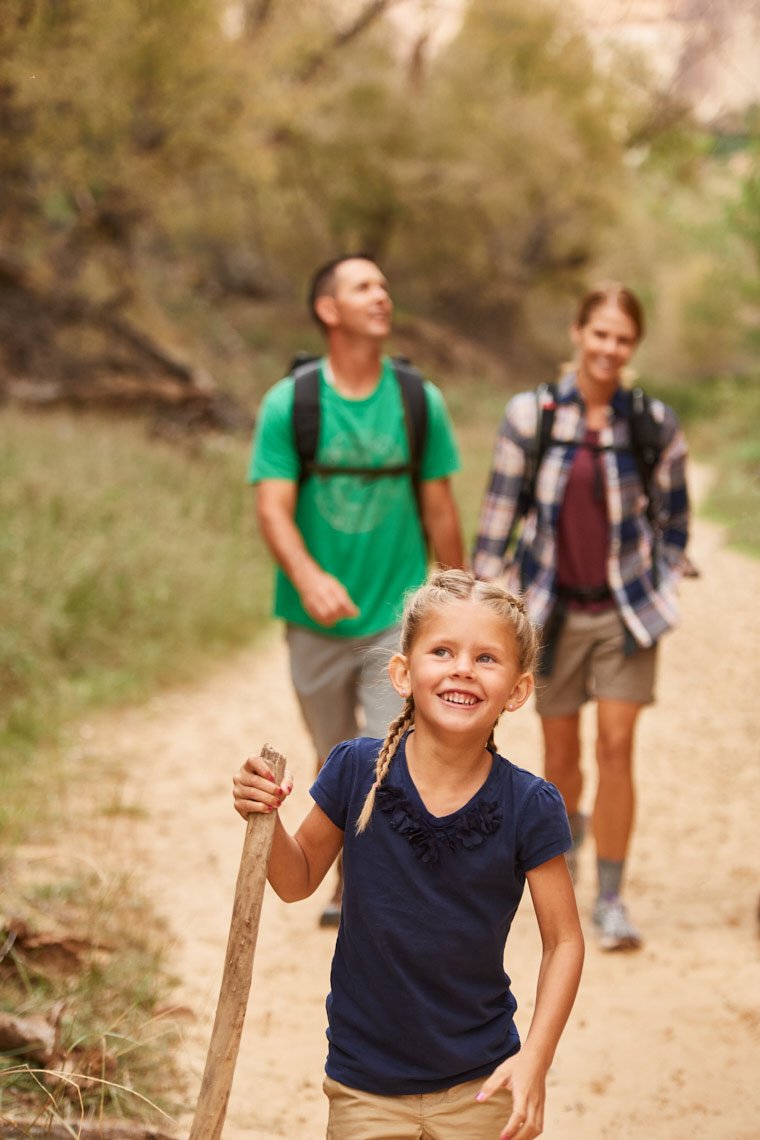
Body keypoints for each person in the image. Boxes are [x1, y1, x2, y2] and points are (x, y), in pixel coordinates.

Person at [233, 569, 583, 1140]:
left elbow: (564, 940)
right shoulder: (354, 770)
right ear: (402, 673)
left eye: (487, 658)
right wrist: (264, 816)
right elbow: (296, 881)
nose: (463, 669)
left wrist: (536, 1061)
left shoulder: (530, 805)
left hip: (482, 1083)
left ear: (518, 691)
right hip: (364, 1083)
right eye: (442, 651)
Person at [472, 282, 691, 952]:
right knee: (561, 757)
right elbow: (498, 520)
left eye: (622, 339)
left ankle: (613, 898)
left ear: (633, 347)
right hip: (551, 614)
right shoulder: (531, 415)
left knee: (618, 747)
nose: (609, 348)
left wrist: (661, 577)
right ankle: (559, 870)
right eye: (599, 333)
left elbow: (676, 521)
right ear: (578, 332)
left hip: (625, 615)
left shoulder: (651, 423)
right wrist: (484, 605)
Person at [248, 253, 464, 926]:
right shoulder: (292, 403)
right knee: (334, 750)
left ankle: (365, 884)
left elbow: (439, 505)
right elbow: (273, 507)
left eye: (384, 285)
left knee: (387, 748)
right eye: (363, 286)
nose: (382, 295)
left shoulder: (416, 400)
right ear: (328, 309)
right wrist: (309, 579)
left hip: (393, 617)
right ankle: (340, 863)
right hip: (313, 619)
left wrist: (457, 600)